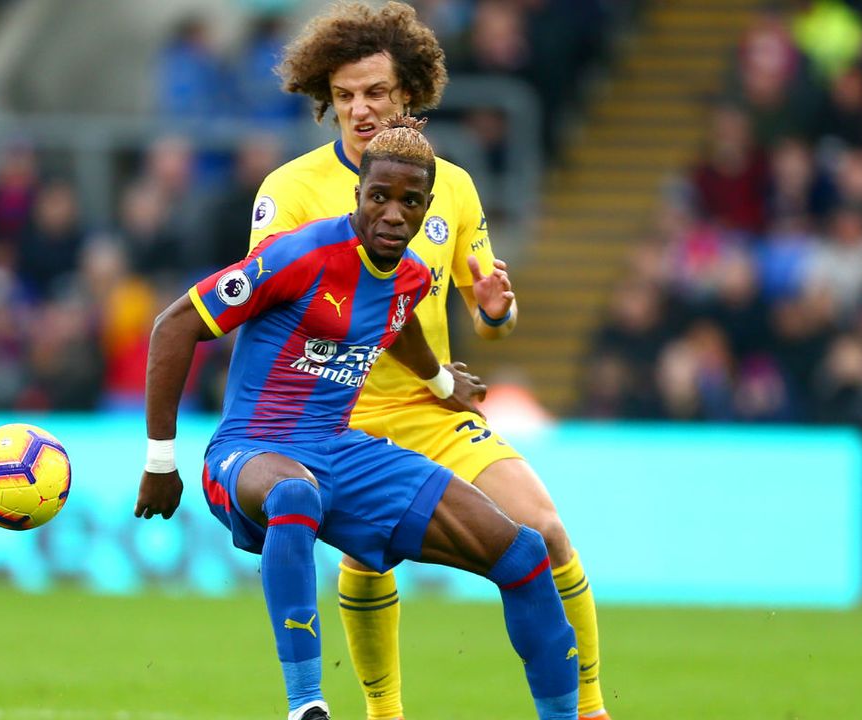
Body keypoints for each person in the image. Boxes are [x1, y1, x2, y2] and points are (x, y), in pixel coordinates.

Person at [136, 119, 579, 720]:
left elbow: (400, 331)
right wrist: (161, 462)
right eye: (380, 197)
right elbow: (174, 326)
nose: (394, 214)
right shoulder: (299, 256)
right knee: (295, 494)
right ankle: (306, 706)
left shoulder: (412, 278)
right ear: (358, 196)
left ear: (426, 208)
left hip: (339, 451)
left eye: (410, 202)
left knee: (523, 552)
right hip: (252, 448)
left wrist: (446, 385)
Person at [250, 4, 610, 718]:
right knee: (367, 556)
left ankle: (591, 708)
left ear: (408, 93)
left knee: (545, 529)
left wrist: (497, 310)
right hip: (333, 414)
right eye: (345, 95)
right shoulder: (289, 192)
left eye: (375, 92)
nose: (359, 108)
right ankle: (386, 714)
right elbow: (266, 310)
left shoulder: (455, 186)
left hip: (431, 407)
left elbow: (487, 318)